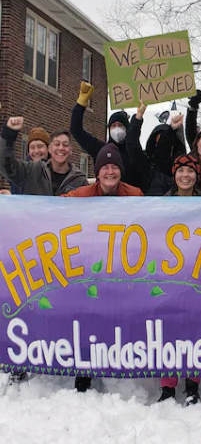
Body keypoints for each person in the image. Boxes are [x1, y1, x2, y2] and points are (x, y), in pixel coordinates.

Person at [63, 143, 143, 392]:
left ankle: (119, 359)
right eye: (105, 167)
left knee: (119, 315)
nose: (110, 171)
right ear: (97, 173)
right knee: (88, 315)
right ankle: (84, 369)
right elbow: (53, 207)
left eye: (114, 167)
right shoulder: (82, 194)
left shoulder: (135, 195)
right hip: (92, 265)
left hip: (122, 266)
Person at [158, 154, 201, 404]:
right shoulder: (163, 203)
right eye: (181, 171)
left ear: (196, 176)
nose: (185, 176)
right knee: (169, 330)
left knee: (194, 328)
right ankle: (167, 386)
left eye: (190, 172)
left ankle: (192, 384)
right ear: (174, 175)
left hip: (198, 274)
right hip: (169, 275)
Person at [70, 81, 140, 187]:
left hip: (130, 199)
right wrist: (81, 104)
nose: (117, 129)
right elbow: (76, 130)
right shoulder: (100, 149)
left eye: (120, 126)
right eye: (113, 126)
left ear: (127, 129)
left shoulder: (134, 153)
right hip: (103, 200)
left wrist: (138, 119)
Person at [1, 118, 87, 195]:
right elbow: (6, 166)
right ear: (49, 149)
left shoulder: (80, 181)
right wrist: (9, 134)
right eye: (57, 144)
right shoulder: (32, 171)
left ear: (71, 150)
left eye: (65, 144)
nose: (61, 148)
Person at [127, 102, 187, 195]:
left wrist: (173, 129)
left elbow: (168, 150)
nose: (160, 143)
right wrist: (138, 118)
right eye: (158, 138)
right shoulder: (144, 164)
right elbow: (132, 144)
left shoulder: (177, 168)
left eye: (164, 139)